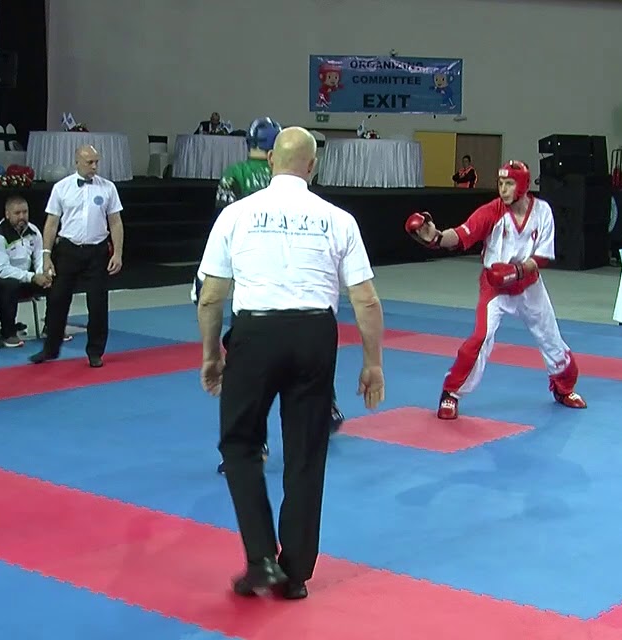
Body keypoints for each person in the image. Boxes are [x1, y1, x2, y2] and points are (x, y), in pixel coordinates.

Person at [197, 127, 386, 600]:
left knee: (240, 443)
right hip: (314, 336)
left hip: (255, 335)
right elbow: (366, 300)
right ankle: (296, 571)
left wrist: (210, 355)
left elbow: (211, 296)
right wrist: (373, 363)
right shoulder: (338, 219)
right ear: (312, 166)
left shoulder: (236, 214)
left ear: (270, 162)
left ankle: (261, 556)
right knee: (306, 451)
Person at [193, 117, 345, 474]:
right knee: (308, 349)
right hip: (298, 281)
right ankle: (327, 406)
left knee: (249, 364)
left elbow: (224, 220)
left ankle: (252, 443)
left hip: (252, 279)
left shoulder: (234, 174)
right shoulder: (293, 174)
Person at [405, 160, 587, 419]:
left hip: (529, 285)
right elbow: (461, 234)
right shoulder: (491, 211)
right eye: (500, 183)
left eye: (509, 183)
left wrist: (517, 271)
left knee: (551, 338)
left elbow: (542, 257)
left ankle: (563, 388)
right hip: (494, 288)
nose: (503, 189)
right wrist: (436, 237)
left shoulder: (542, 211)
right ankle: (451, 393)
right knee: (480, 338)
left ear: (522, 185)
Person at [29, 145, 123, 368]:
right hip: (68, 250)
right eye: (90, 162)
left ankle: (95, 352)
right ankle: (50, 348)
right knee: (57, 299)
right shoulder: (61, 187)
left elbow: (115, 222)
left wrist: (118, 253)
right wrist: (46, 255)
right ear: (77, 162)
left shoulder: (108, 187)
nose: (94, 166)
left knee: (98, 303)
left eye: (96, 162)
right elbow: (51, 224)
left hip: (97, 251)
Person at [0, 195, 53, 348]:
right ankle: (7, 333)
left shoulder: (33, 231)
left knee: (56, 280)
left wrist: (43, 273)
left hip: (28, 277)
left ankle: (52, 326)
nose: (22, 216)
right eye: (17, 213)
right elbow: (1, 269)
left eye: (25, 212)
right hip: (2, 279)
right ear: (7, 214)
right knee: (10, 285)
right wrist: (32, 277)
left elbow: (39, 257)